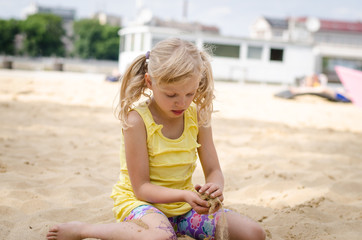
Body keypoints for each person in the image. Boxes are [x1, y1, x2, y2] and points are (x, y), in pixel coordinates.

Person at [46, 38, 266, 240]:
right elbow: (141, 187)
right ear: (150, 82)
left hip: (183, 208)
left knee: (254, 233)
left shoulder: (198, 116)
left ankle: (174, 226)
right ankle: (84, 230)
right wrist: (184, 194)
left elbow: (214, 170)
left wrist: (214, 188)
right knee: (161, 237)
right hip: (141, 204)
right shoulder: (137, 121)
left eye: (189, 93)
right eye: (171, 95)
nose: (182, 103)